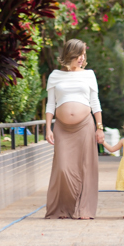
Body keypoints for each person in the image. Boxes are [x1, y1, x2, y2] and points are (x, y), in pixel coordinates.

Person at [44, 38, 104, 219]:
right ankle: (64, 208)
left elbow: (95, 103)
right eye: (79, 54)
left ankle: (83, 209)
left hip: (85, 125)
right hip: (62, 128)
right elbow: (51, 104)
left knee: (85, 168)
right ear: (69, 54)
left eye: (83, 54)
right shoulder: (55, 75)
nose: (81, 58)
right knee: (62, 168)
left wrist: (100, 127)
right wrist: (48, 129)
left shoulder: (89, 75)